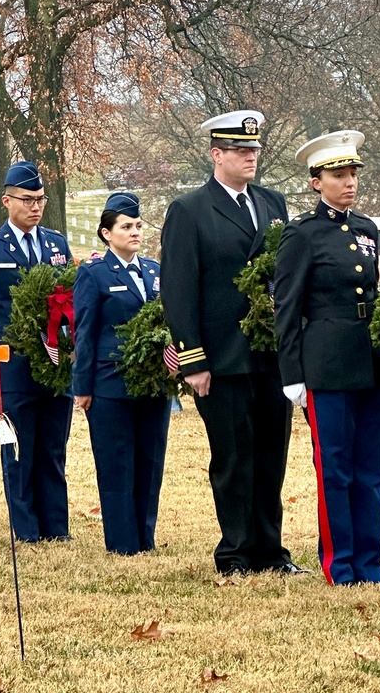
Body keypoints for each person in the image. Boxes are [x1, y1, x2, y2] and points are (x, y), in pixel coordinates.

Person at [160, 109, 302, 577]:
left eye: (255, 150)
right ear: (216, 154)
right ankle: (236, 552)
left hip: (270, 356)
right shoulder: (190, 210)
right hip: (221, 358)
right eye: (241, 150)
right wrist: (193, 360)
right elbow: (179, 291)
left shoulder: (272, 203)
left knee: (270, 455)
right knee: (233, 456)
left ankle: (270, 550)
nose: (251, 157)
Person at [273, 130, 380, 586]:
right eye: (338, 174)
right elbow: (286, 307)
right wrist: (292, 374)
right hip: (326, 362)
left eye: (353, 173)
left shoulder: (366, 229)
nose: (348, 182)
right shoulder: (301, 234)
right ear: (315, 181)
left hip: (369, 361)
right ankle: (339, 564)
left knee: (370, 470)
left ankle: (369, 563)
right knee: (335, 468)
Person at [0, 161, 74, 542]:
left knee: (53, 447)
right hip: (10, 365)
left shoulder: (56, 244)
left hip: (54, 363)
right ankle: (26, 529)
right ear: (7, 200)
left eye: (40, 199)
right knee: (18, 449)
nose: (36, 207)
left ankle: (56, 527)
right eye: (27, 200)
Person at [72, 192, 171, 555]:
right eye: (126, 227)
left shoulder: (154, 272)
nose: (134, 232)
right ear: (106, 233)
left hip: (153, 382)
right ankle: (122, 541)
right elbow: (85, 331)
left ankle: (145, 537)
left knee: (150, 461)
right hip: (110, 383)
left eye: (138, 226)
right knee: (116, 464)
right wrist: (81, 387)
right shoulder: (94, 273)